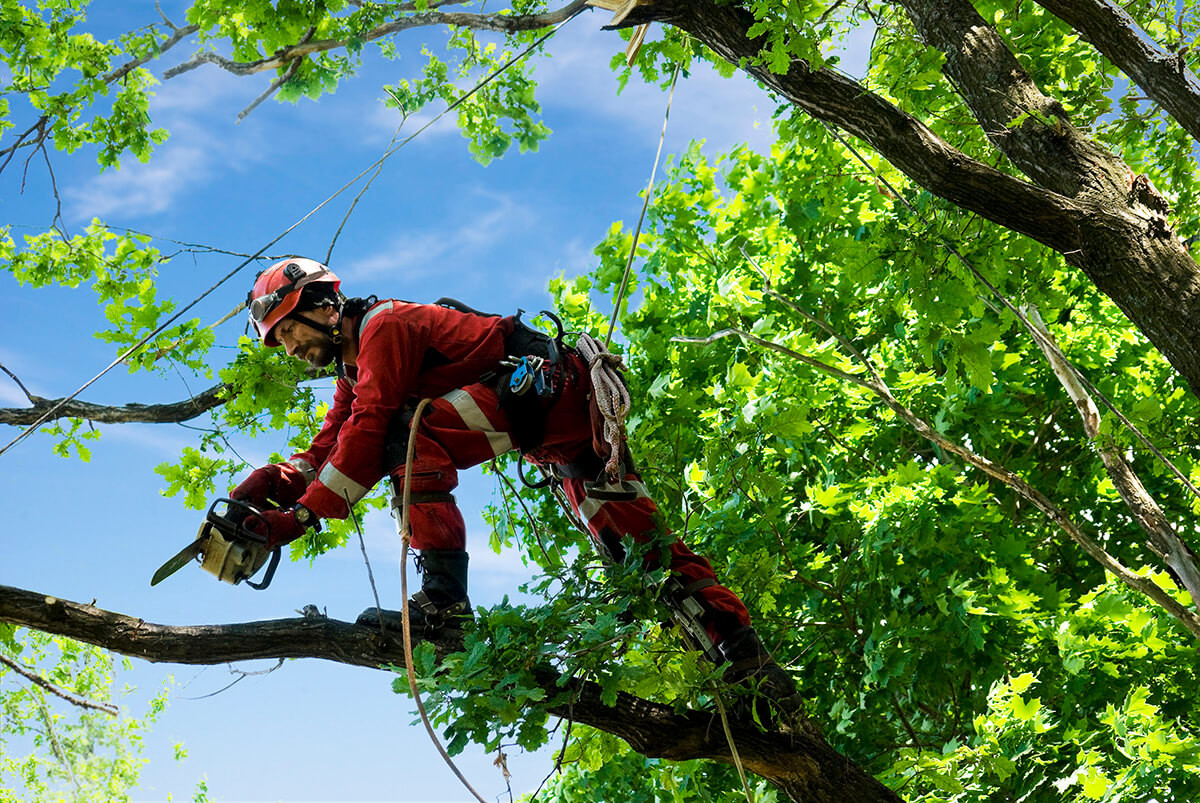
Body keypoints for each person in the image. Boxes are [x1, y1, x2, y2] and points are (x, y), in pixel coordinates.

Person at [232, 256, 800, 711]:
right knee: (640, 554)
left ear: (323, 307)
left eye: (286, 333)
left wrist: (299, 519)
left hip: (550, 397)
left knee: (405, 432)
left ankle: (445, 604)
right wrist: (275, 483)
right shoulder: (355, 368)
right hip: (561, 432)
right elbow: (331, 444)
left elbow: (370, 428)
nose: (287, 350)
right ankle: (749, 666)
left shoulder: (385, 326)